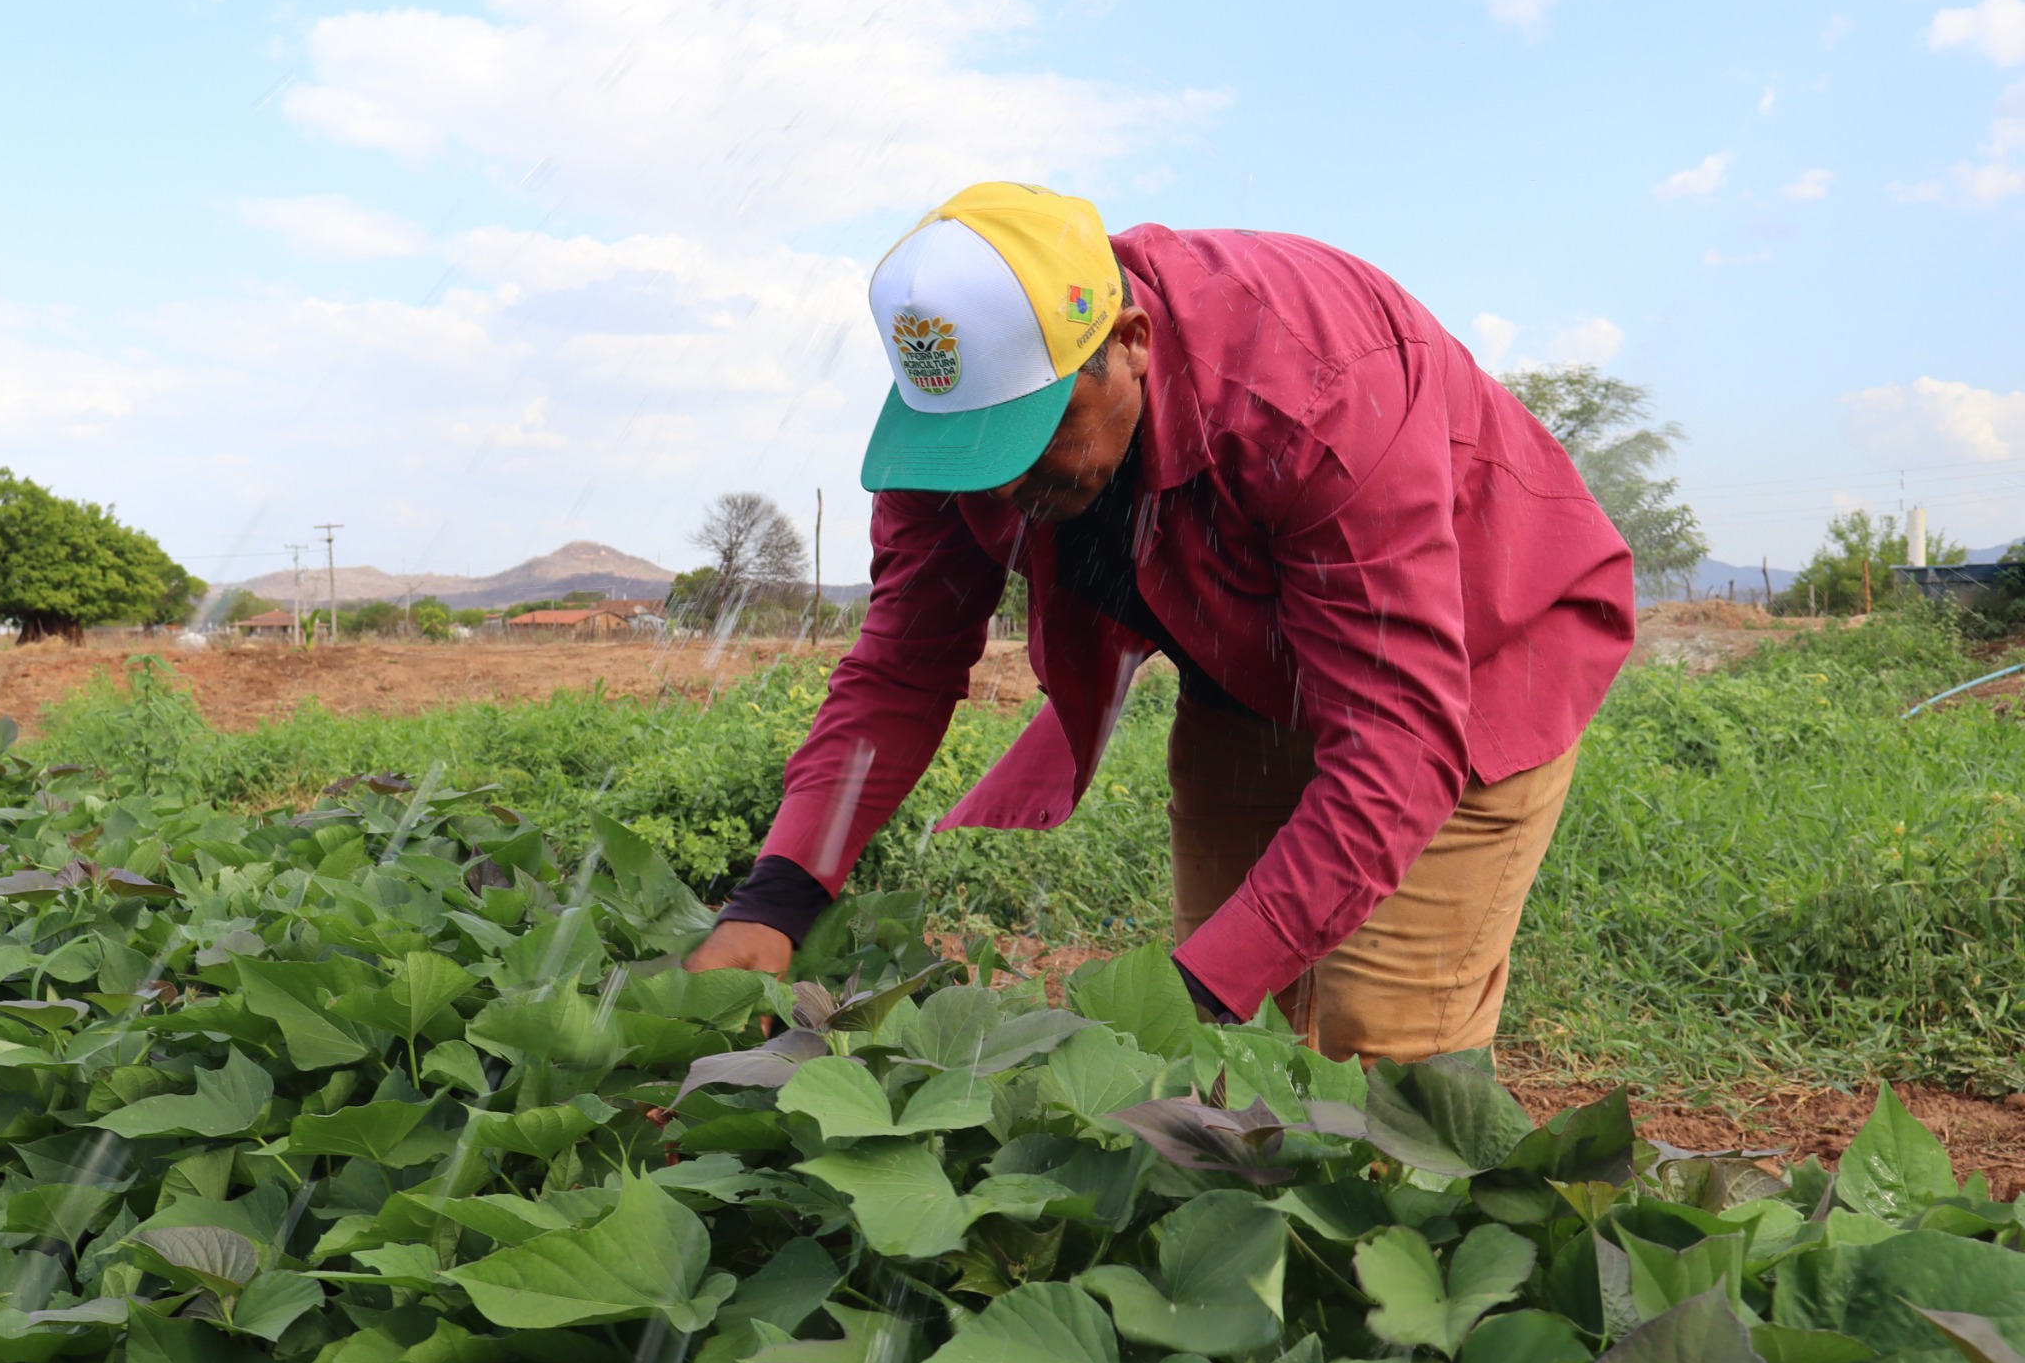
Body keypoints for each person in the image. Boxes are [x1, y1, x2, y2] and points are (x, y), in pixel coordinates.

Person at [683, 182, 1634, 1064]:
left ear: (1132, 343)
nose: (1003, 486)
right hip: (1247, 671)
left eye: (1033, 434)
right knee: (1218, 1061)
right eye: (973, 447)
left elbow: (1398, 742)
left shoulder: (1308, 392)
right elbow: (902, 669)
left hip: (1473, 666)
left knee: (1376, 1057)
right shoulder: (957, 430)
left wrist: (1197, 990)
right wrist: (777, 897)